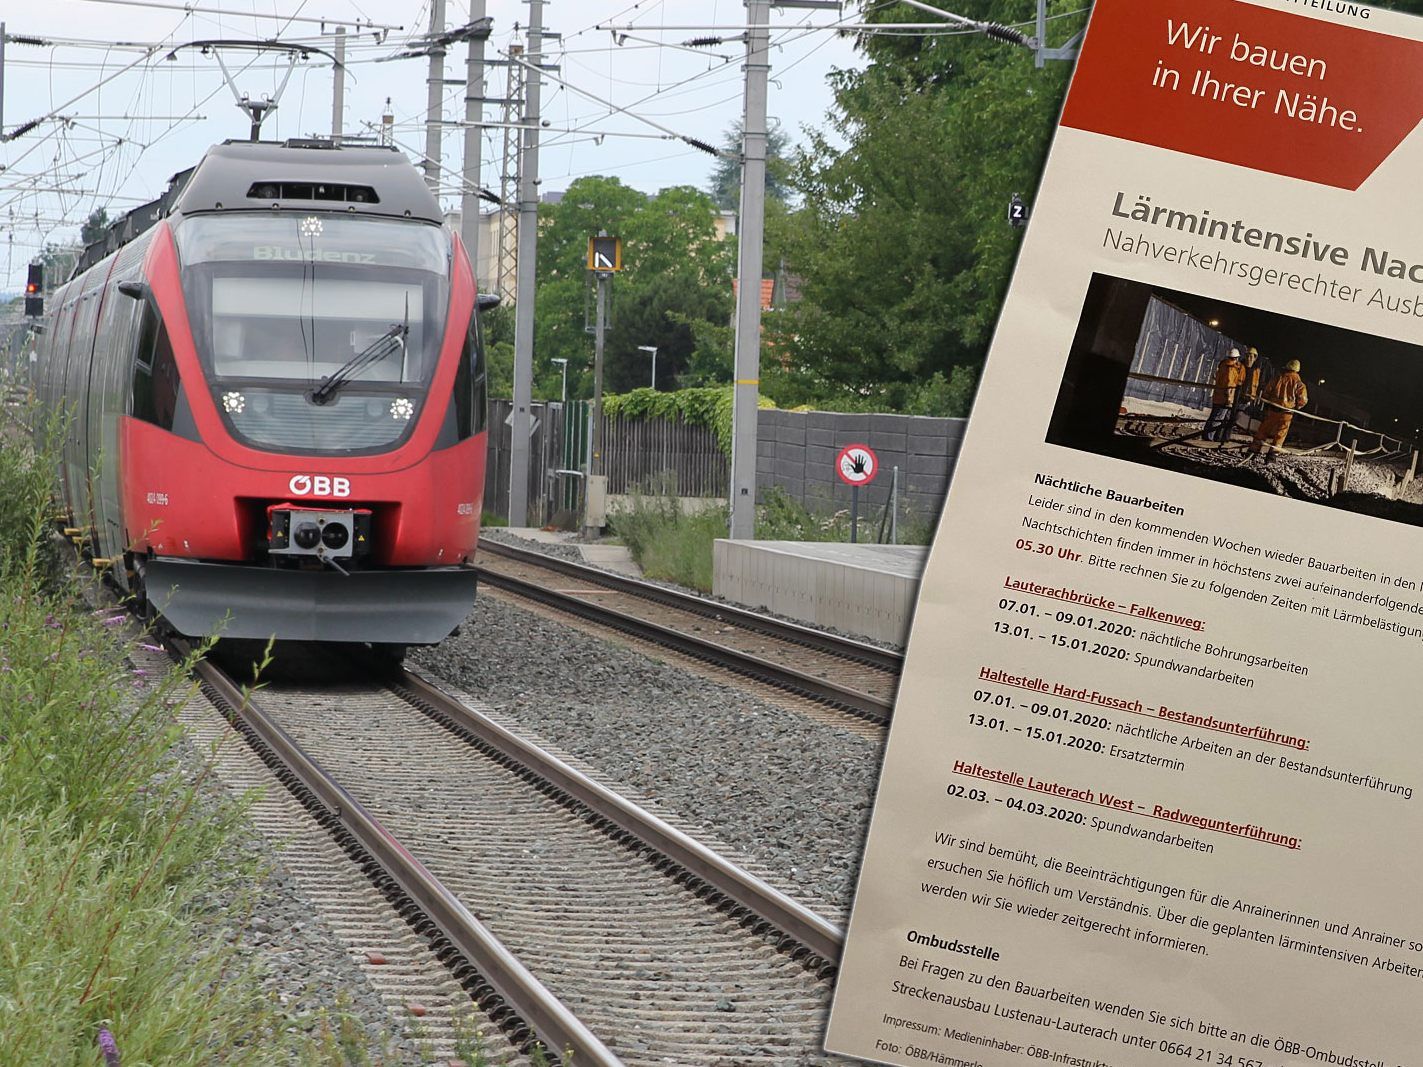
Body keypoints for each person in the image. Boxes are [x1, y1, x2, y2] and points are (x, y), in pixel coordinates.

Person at [1250, 359, 1309, 463]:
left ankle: (1252, 452)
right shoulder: (1299, 384)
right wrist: (1296, 407)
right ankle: (1271, 457)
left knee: (1263, 430)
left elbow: (1266, 392)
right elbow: (1303, 400)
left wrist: (1269, 401)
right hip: (1287, 412)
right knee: (1280, 434)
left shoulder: (1277, 378)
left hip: (1273, 409)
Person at [1203, 348, 1245, 443]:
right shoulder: (1231, 368)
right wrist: (1229, 399)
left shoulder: (1223, 365)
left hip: (1217, 396)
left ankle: (1206, 435)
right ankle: (1209, 438)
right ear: (1236, 358)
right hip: (1224, 398)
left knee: (1213, 416)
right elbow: (1229, 385)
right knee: (1219, 418)